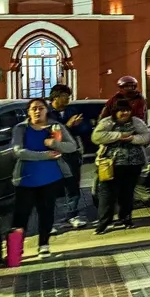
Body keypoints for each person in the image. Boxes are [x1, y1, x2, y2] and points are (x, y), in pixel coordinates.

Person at [11, 99, 78, 256]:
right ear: (28, 112)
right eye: (33, 108)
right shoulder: (21, 128)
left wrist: (54, 143)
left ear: (46, 111)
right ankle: (15, 251)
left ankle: (44, 245)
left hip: (50, 178)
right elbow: (17, 151)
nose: (37, 111)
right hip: (25, 179)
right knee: (20, 216)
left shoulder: (56, 127)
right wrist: (45, 155)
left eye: (41, 108)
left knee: (46, 213)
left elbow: (72, 146)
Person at [92, 99, 150, 234]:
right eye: (121, 111)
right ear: (115, 112)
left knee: (127, 194)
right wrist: (119, 136)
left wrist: (132, 139)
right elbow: (96, 137)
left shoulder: (136, 122)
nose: (125, 113)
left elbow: (146, 136)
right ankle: (104, 222)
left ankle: (126, 218)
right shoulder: (107, 122)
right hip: (110, 165)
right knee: (107, 194)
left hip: (133, 164)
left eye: (127, 110)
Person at [46, 84, 89, 230]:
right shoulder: (46, 113)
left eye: (69, 97)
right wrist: (68, 126)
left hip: (72, 154)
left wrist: (77, 125)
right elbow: (48, 134)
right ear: (56, 97)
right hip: (52, 155)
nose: (68, 99)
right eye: (65, 96)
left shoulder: (73, 111)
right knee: (51, 189)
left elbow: (85, 129)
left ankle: (72, 215)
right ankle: (49, 221)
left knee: (73, 186)